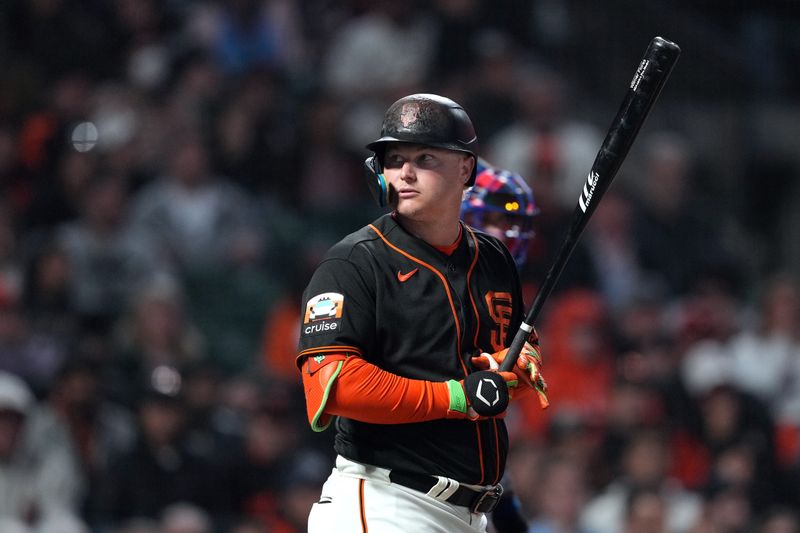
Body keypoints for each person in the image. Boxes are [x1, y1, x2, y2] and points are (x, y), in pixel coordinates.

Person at [296, 93, 547, 532]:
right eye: (394, 159)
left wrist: (519, 370)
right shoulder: (354, 262)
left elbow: (516, 350)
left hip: (470, 514)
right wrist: (456, 397)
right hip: (385, 502)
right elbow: (333, 385)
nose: (405, 173)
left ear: (466, 167)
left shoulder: (492, 259)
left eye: (425, 157)